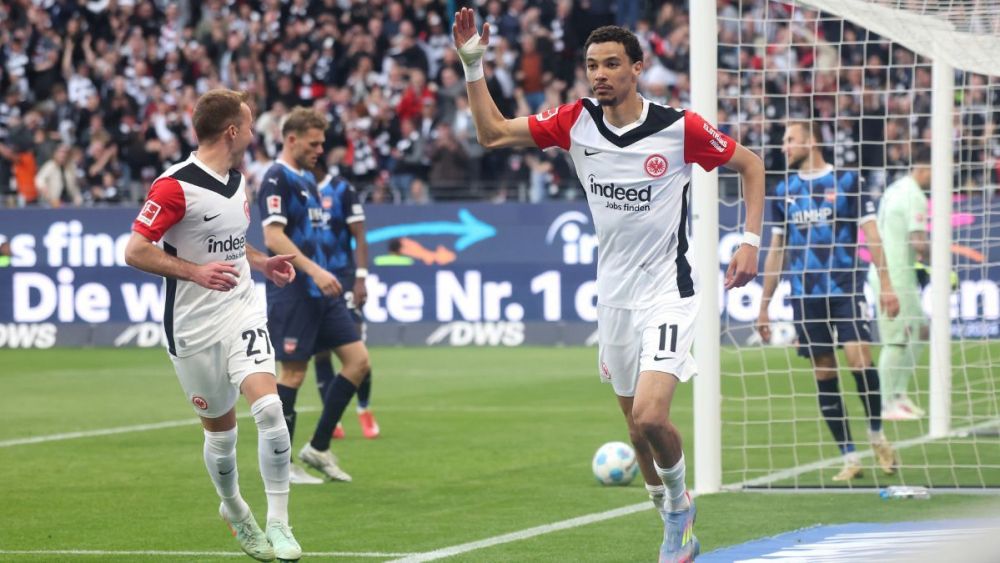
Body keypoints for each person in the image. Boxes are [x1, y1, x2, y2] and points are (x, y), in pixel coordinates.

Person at [454, 11, 765, 562]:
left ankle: (678, 508)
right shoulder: (574, 122)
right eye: (592, 65)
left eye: (612, 64)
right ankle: (671, 516)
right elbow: (491, 132)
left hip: (671, 288)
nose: (600, 74)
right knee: (634, 424)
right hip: (614, 298)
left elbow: (750, 164)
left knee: (650, 415)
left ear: (638, 69)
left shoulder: (679, 127)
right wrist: (473, 63)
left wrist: (749, 239)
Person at [123, 88, 302, 561]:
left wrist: (261, 264)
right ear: (232, 131)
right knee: (221, 438)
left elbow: (229, 242)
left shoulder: (237, 180)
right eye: (248, 122)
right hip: (193, 327)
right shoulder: (174, 186)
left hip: (241, 309)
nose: (252, 129)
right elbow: (135, 250)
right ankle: (235, 510)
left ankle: (280, 523)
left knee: (270, 413)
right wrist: (195, 272)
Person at [756, 120, 901, 482]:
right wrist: (764, 304)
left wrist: (886, 283)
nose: (784, 146)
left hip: (846, 287)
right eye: (784, 141)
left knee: (859, 358)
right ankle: (850, 457)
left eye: (791, 140)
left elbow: (871, 233)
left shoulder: (849, 181)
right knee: (824, 371)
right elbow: (778, 249)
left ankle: (876, 434)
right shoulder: (783, 190)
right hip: (805, 294)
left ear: (812, 141)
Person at [257, 107, 370, 485]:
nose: (320, 149)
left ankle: (318, 448)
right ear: (291, 139)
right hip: (295, 292)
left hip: (324, 291)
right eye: (314, 143)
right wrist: (316, 270)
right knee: (292, 372)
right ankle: (282, 465)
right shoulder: (276, 178)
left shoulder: (306, 179)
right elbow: (273, 237)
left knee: (358, 362)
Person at [313, 164, 380, 440]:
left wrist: (361, 277)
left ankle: (364, 408)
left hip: (343, 276)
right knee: (321, 351)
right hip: (312, 279)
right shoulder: (294, 187)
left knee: (357, 349)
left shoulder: (341, 189)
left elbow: (360, 234)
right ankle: (333, 414)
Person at [869, 147, 932, 421]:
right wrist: (941, 263)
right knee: (896, 339)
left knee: (921, 330)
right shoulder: (915, 196)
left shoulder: (896, 188)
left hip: (896, 272)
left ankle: (899, 394)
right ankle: (886, 404)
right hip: (892, 276)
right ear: (925, 168)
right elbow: (918, 242)